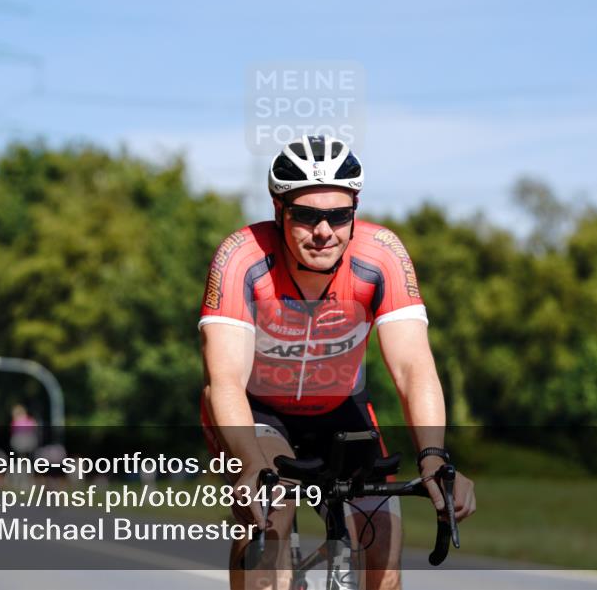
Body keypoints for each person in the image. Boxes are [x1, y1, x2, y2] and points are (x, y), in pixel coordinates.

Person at [200, 135, 476, 590]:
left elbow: (413, 368)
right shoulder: (243, 256)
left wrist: (433, 458)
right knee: (269, 518)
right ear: (279, 210)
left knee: (383, 548)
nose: (324, 231)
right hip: (258, 412)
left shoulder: (381, 255)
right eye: (307, 216)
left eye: (339, 215)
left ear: (355, 210)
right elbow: (224, 380)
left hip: (340, 410)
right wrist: (248, 464)